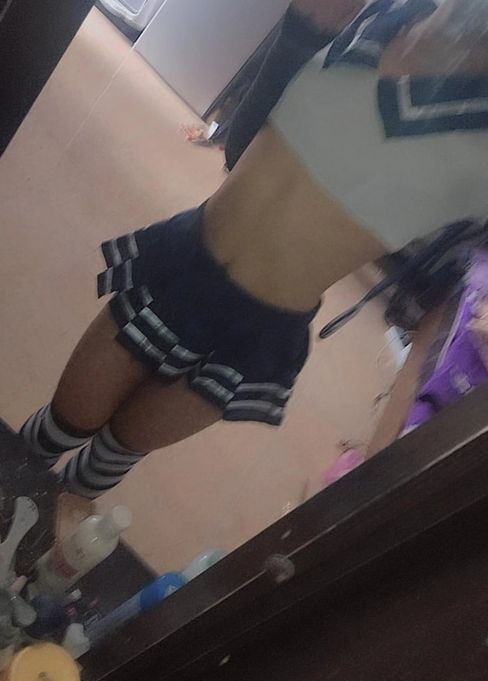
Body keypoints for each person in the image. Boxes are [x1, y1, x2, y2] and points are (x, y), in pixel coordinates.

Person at [20, 0, 488, 500]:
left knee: (109, 460)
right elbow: (242, 145)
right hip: (180, 265)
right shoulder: (377, 14)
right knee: (57, 428)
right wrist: (300, 35)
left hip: (257, 336)